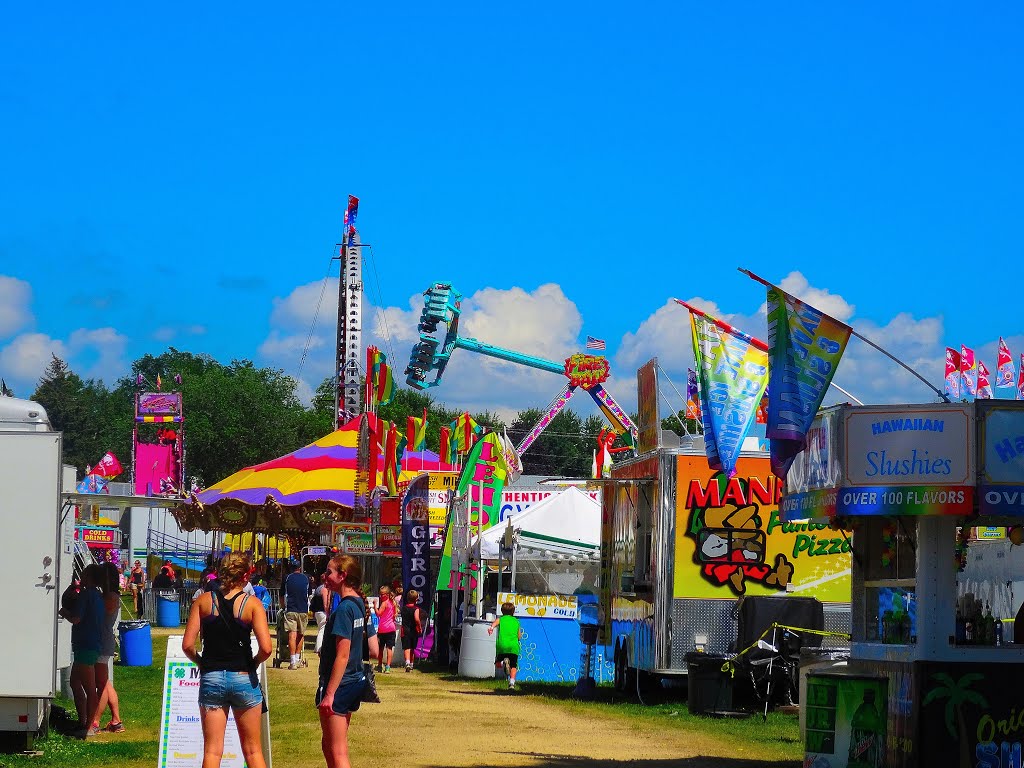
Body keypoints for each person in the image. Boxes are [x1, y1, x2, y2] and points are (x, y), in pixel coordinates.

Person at [182, 552, 272, 768]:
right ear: (245, 576)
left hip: (212, 676)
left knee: (212, 752)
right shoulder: (252, 604)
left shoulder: (203, 601)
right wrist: (254, 662)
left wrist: (201, 663)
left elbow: (187, 645)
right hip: (242, 676)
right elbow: (267, 648)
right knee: (252, 751)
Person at [317, 555, 379, 768]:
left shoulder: (344, 608)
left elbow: (342, 655)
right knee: (330, 746)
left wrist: (330, 694)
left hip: (341, 683)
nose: (325, 576)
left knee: (337, 750)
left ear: (342, 576)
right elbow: (372, 649)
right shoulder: (357, 604)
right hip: (353, 679)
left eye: (329, 571)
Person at [60, 564, 105, 737]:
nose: (81, 578)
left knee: (88, 687)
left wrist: (64, 612)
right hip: (90, 645)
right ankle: (83, 721)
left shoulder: (86, 595)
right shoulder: (98, 596)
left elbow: (76, 619)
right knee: (75, 683)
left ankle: (88, 726)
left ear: (90, 578)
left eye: (84, 575)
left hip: (85, 645)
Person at [90, 562, 125, 733]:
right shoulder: (107, 595)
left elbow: (100, 613)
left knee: (101, 684)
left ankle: (95, 720)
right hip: (101, 640)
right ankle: (116, 720)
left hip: (102, 641)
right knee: (105, 682)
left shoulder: (110, 597)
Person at [488, 601, 523, 690]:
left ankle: (503, 662)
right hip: (513, 647)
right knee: (514, 666)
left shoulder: (501, 619)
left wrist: (491, 628)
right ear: (513, 612)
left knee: (497, 664)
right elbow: (519, 636)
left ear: (502, 611)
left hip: (502, 646)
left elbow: (494, 624)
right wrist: (517, 638)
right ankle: (511, 683)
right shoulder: (516, 621)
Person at [283, 561, 311, 669]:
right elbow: (308, 594)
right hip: (303, 609)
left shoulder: (287, 578)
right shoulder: (305, 578)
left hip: (291, 608)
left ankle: (293, 661)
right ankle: (298, 658)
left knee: (292, 635)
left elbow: (282, 594)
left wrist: (282, 607)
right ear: (300, 568)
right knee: (301, 634)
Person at [375, 585, 397, 673]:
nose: (381, 596)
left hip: (382, 629)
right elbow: (394, 616)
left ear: (387, 594)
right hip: (391, 628)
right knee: (389, 648)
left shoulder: (384, 603)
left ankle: (380, 665)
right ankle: (388, 666)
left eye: (382, 594)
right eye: (380, 594)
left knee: (380, 648)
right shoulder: (393, 603)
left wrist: (374, 606)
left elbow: (379, 614)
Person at [400, 589, 423, 672]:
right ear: (416, 599)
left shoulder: (404, 608)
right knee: (413, 647)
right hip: (413, 630)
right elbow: (416, 619)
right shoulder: (416, 609)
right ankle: (412, 664)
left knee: (406, 647)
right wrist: (419, 627)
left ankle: (407, 662)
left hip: (404, 630)